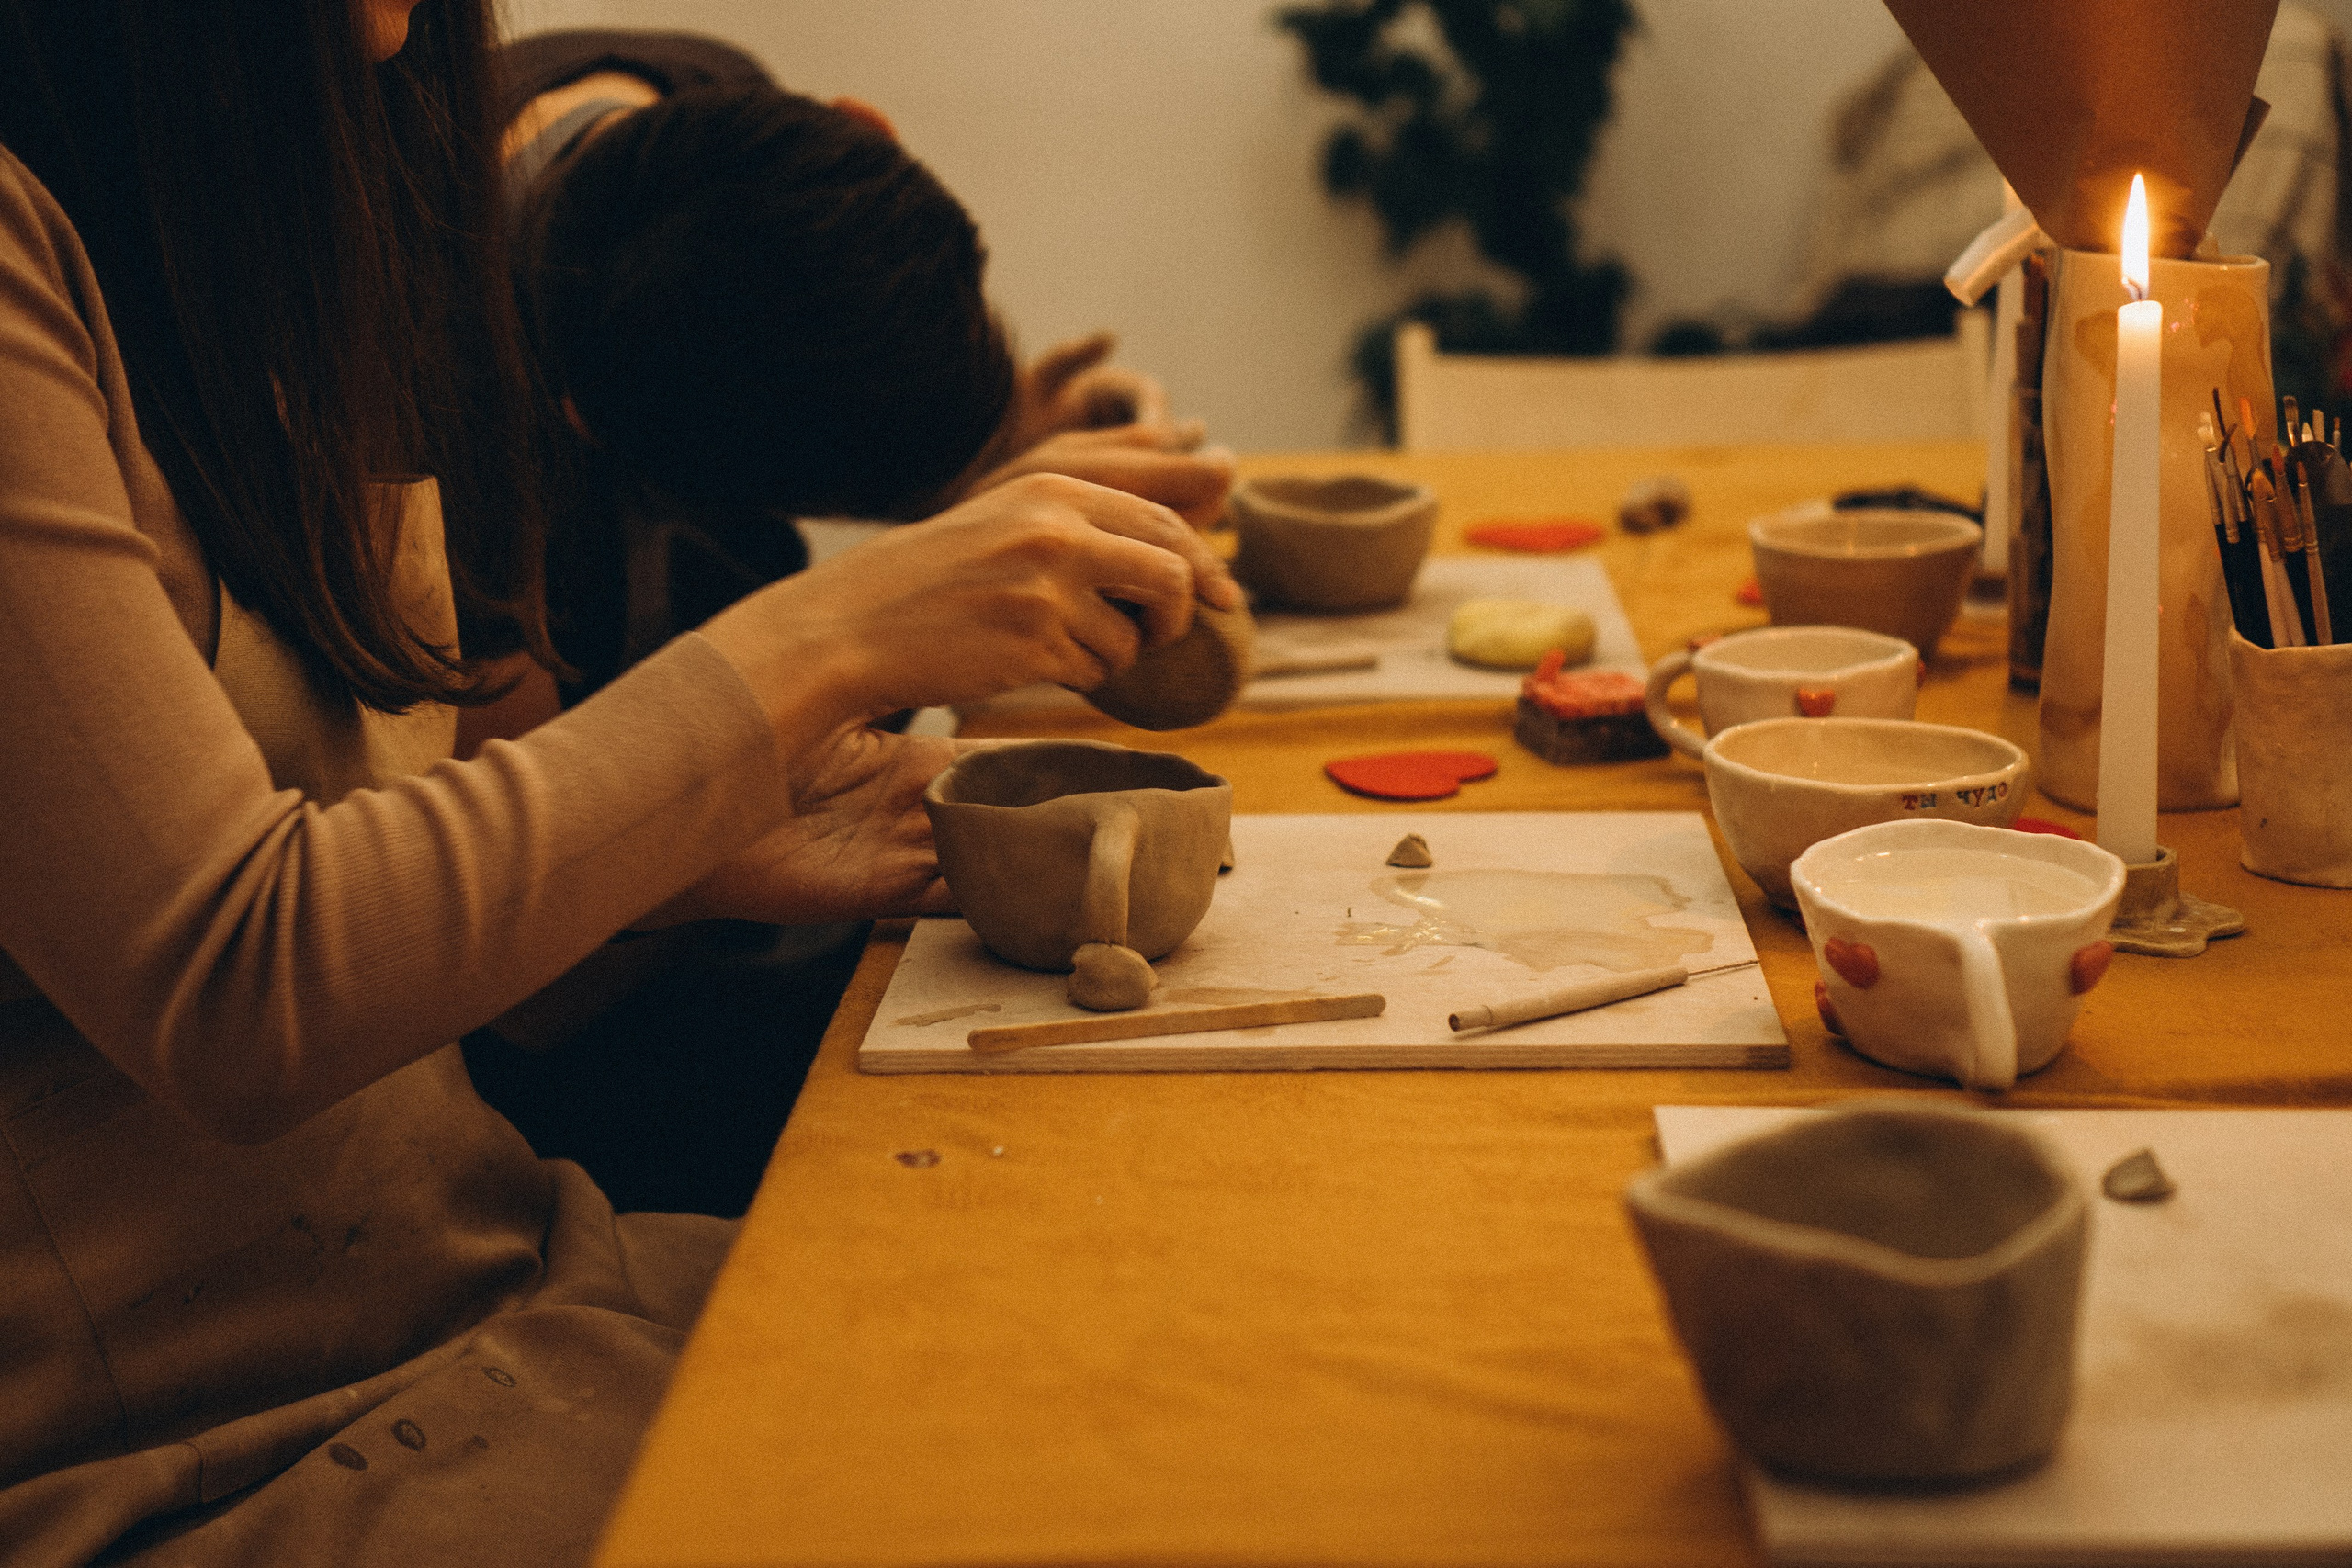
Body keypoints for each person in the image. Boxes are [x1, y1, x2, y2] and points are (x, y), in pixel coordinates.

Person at [0, 2, 1235, 1563]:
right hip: (201, 1448)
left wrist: (691, 850)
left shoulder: (283, 189)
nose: (398, 24)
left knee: (1188, 1335)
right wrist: (831, 635)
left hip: (503, 1270)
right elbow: (237, 981)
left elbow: (370, 818)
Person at [463, 29, 1239, 1215]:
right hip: (600, 1089)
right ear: (589, 430)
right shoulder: (427, 411)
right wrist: (874, 658)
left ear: (864, 126)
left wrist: (1030, 441)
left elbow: (835, 380)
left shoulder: (733, 128)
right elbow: (525, 989)